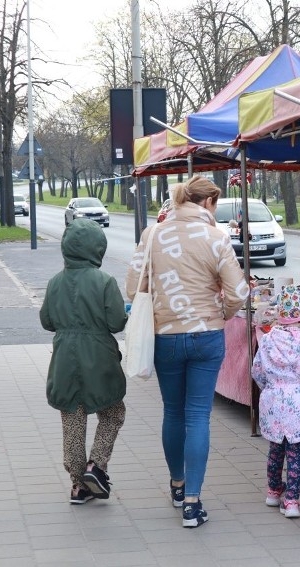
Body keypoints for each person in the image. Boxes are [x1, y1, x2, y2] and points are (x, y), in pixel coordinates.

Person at [125, 175, 249, 528]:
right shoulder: (216, 238)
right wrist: (219, 314)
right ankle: (193, 502)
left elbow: (133, 287)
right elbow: (238, 292)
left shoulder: (153, 236)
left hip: (166, 335)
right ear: (208, 204)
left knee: (173, 412)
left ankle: (177, 485)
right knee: (198, 415)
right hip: (207, 336)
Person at [40, 218, 128, 504]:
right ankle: (96, 465)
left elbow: (47, 321)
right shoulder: (105, 281)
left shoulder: (55, 282)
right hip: (99, 357)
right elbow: (116, 323)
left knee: (72, 420)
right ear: (97, 248)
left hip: (65, 358)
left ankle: (78, 485)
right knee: (113, 412)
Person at [251, 285, 300, 519]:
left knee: (275, 449)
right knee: (295, 452)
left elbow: (257, 372)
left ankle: (273, 491)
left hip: (273, 400)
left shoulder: (267, 340)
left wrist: (271, 387)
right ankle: (292, 501)